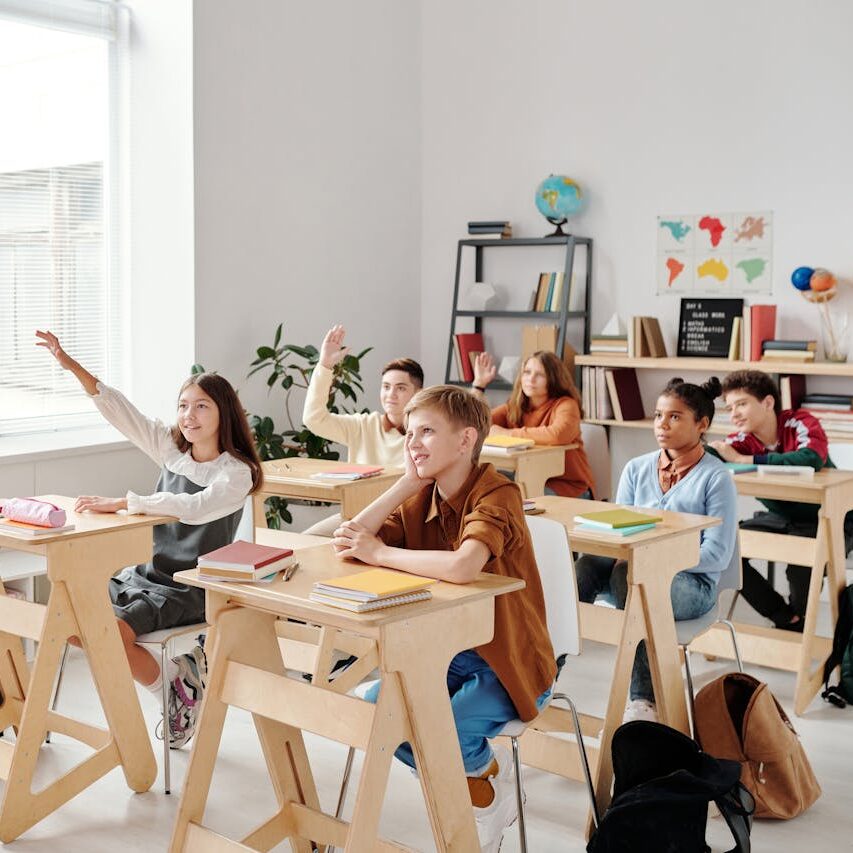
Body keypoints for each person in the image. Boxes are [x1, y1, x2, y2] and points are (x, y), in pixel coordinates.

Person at [331, 385, 555, 852]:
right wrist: (404, 484)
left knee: (445, 731)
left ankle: (476, 783)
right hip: (446, 653)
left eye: (427, 431)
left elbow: (462, 566)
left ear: (465, 440)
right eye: (410, 433)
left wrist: (380, 553)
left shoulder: (499, 491)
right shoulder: (421, 496)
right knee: (377, 714)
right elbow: (349, 539)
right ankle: (487, 781)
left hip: (509, 659)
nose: (414, 442)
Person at [36, 330, 262, 747]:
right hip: (146, 575)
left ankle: (172, 692)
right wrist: (71, 367)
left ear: (223, 413)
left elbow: (194, 508)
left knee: (113, 634)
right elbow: (121, 412)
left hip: (191, 586)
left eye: (200, 406)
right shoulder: (174, 452)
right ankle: (178, 679)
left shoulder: (234, 473)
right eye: (182, 406)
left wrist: (125, 502)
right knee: (70, 619)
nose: (188, 415)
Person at [574, 377, 738, 722]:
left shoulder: (716, 477)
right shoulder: (636, 469)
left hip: (694, 585)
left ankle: (643, 700)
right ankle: (539, 674)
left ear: (702, 424)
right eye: (658, 415)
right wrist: (635, 558)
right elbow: (620, 534)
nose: (662, 424)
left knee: (632, 577)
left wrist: (654, 562)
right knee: (586, 565)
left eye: (675, 417)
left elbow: (718, 556)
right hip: (635, 572)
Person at [709, 369, 853, 631]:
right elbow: (713, 456)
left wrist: (746, 461)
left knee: (801, 567)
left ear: (767, 402)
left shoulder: (801, 422)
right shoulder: (741, 440)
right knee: (724, 548)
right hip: (784, 519)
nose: (734, 414)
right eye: (730, 408)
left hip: (832, 518)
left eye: (741, 404)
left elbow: (811, 458)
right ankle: (784, 617)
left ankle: (797, 635)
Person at [301, 323, 424, 535]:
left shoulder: (427, 432)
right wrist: (325, 366)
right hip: (356, 515)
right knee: (305, 541)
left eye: (400, 388)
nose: (391, 394)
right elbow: (314, 419)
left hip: (404, 519)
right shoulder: (364, 425)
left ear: (418, 392)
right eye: (386, 387)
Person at [472, 349, 595, 498]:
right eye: (527, 372)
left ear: (553, 379)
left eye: (540, 374)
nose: (531, 379)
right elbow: (473, 420)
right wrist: (479, 385)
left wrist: (506, 433)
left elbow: (557, 435)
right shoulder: (514, 406)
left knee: (508, 496)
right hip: (526, 478)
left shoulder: (566, 405)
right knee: (483, 487)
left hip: (569, 488)